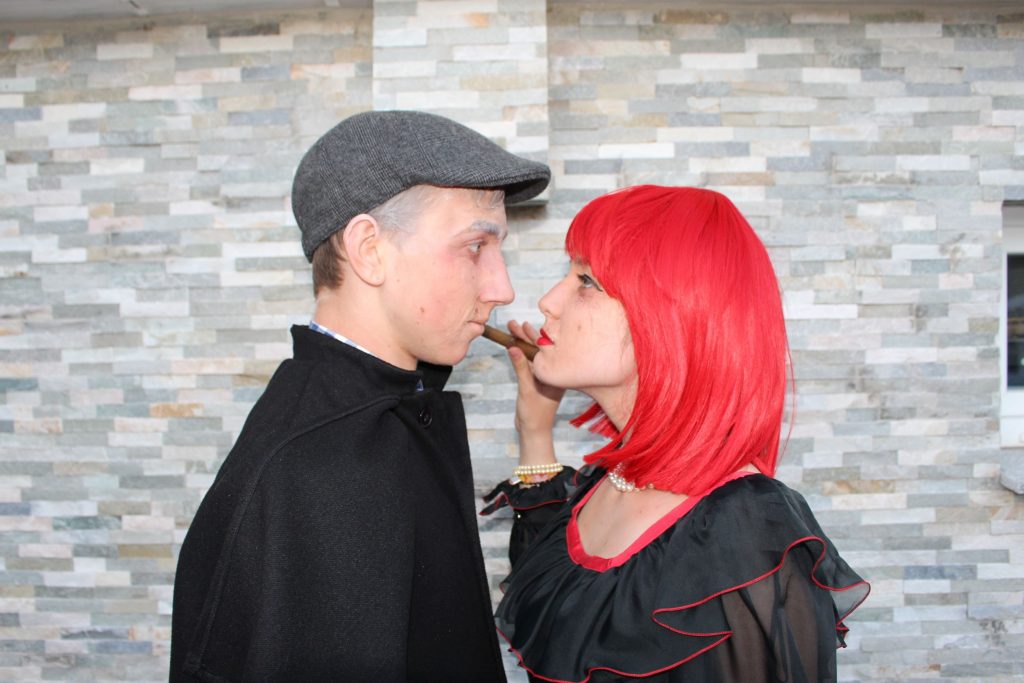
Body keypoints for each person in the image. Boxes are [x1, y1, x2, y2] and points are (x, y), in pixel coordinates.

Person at [170, 110, 550, 682]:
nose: (502, 288)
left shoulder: (387, 412)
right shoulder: (320, 472)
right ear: (369, 249)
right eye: (475, 246)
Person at [482, 185, 869, 682]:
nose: (548, 301)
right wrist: (534, 430)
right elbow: (553, 612)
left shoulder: (746, 529)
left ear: (665, 317)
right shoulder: (609, 481)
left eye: (586, 280)